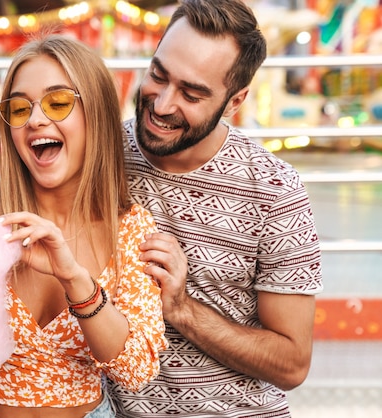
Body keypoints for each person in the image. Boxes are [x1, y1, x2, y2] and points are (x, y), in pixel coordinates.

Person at [107, 0, 324, 416]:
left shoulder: (276, 189)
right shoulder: (102, 154)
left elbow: (292, 363)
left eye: (191, 93)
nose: (163, 105)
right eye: (158, 75)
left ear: (234, 101)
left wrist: (182, 309)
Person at [0, 35, 169, 418]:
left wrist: (75, 279)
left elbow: (136, 370)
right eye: (19, 108)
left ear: (96, 114)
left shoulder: (127, 227)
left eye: (58, 103)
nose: (37, 119)